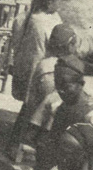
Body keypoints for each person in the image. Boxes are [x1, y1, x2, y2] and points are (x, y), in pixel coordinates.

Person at [31, 56, 93, 170]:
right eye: (57, 84)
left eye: (65, 85)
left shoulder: (92, 115)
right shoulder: (63, 106)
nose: (60, 90)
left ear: (81, 83)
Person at [9, 24, 79, 161]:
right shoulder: (72, 68)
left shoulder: (43, 65)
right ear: (70, 46)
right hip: (53, 123)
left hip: (36, 118)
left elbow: (31, 98)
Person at [11, 0, 65, 104]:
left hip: (24, 69)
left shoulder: (23, 17)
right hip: (40, 72)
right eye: (59, 1)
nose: (60, 5)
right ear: (49, 2)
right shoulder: (44, 21)